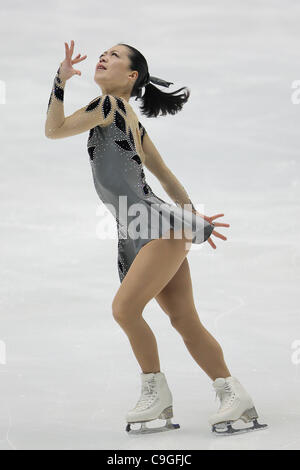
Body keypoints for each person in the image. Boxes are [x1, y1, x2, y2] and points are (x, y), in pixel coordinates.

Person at [45, 40, 267, 436]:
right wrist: (191, 215)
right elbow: (164, 174)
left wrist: (59, 83)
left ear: (130, 76)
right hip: (138, 227)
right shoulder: (130, 119)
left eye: (113, 56)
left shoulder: (108, 107)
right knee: (184, 319)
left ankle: (155, 391)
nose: (103, 57)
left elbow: (54, 130)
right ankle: (233, 394)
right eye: (103, 53)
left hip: (152, 223)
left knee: (124, 309)